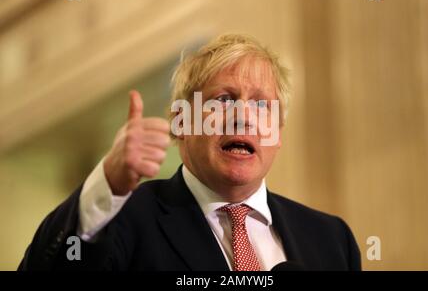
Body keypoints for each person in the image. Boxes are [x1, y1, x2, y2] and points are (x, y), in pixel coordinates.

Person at [19, 34, 361, 271]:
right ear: (180, 122)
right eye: (223, 100)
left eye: (261, 104)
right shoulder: (124, 220)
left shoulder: (331, 240)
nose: (243, 117)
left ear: (279, 133)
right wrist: (108, 180)